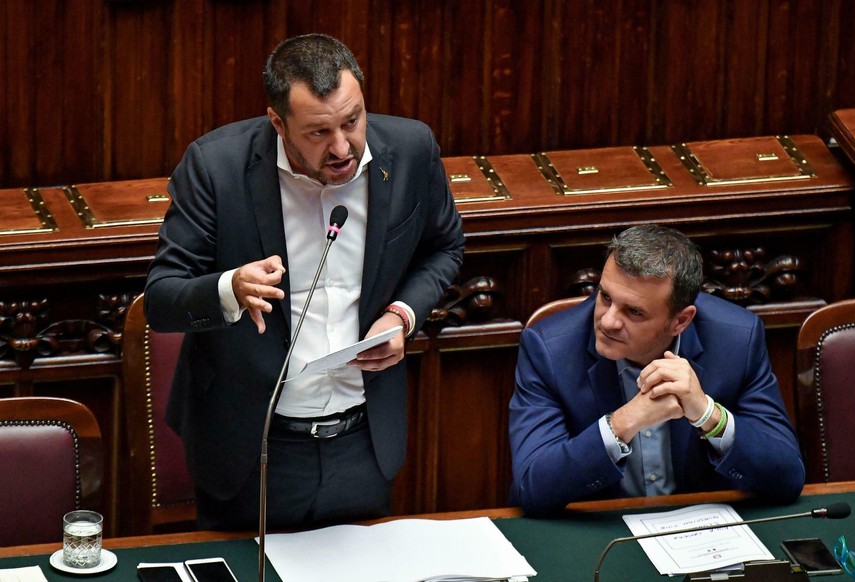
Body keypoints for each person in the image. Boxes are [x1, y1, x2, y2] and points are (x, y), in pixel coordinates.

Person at [144, 33, 465, 530]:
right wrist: (229, 289)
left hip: (364, 442)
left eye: (352, 121)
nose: (343, 148)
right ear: (278, 123)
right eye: (318, 133)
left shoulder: (409, 150)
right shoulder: (217, 167)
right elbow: (162, 297)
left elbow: (445, 247)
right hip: (253, 449)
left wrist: (402, 315)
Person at [508, 225, 805, 516]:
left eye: (633, 311)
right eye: (605, 297)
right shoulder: (549, 350)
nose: (608, 321)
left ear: (681, 321)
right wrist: (624, 422)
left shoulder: (736, 340)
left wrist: (707, 414)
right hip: (601, 532)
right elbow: (531, 488)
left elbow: (787, 476)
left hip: (700, 530)